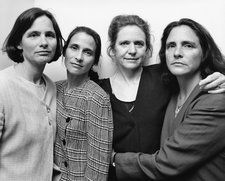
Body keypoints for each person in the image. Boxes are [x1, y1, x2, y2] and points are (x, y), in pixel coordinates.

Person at [99, 15, 225, 181]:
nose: (177, 53)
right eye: (171, 46)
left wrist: (114, 159)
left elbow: (167, 163)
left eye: (188, 45)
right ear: (112, 49)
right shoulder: (173, 92)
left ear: (204, 53)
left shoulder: (214, 100)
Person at [0, 7, 63, 180]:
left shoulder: (50, 86)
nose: (44, 42)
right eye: (33, 34)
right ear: (19, 43)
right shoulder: (2, 86)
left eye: (49, 35)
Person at [54, 26, 113, 181]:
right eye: (74, 48)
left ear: (94, 60)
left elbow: (98, 163)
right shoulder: (54, 88)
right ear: (64, 51)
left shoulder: (97, 98)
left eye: (88, 52)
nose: (79, 57)